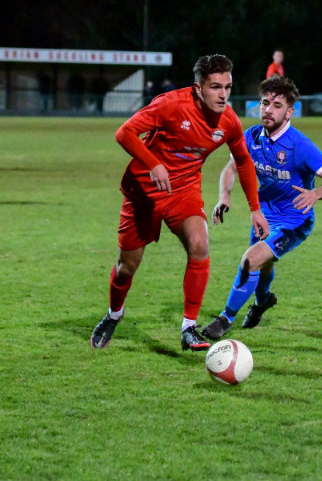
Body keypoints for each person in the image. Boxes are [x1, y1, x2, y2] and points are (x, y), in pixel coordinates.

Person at [90, 54, 269, 351]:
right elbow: (125, 133)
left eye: (227, 87)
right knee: (126, 267)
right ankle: (114, 314)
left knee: (200, 244)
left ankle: (189, 328)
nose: (223, 95)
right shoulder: (171, 104)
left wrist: (255, 208)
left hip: (183, 191)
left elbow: (244, 161)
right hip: (143, 192)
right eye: (215, 87)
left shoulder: (228, 121)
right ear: (198, 88)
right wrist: (153, 163)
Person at [202, 76, 322, 339]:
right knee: (262, 265)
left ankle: (225, 319)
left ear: (289, 112)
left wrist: (315, 193)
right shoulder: (252, 136)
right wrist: (224, 197)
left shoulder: (299, 145)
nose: (268, 110)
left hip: (294, 221)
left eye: (276, 105)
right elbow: (231, 168)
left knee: (251, 260)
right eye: (264, 103)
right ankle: (262, 301)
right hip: (264, 217)